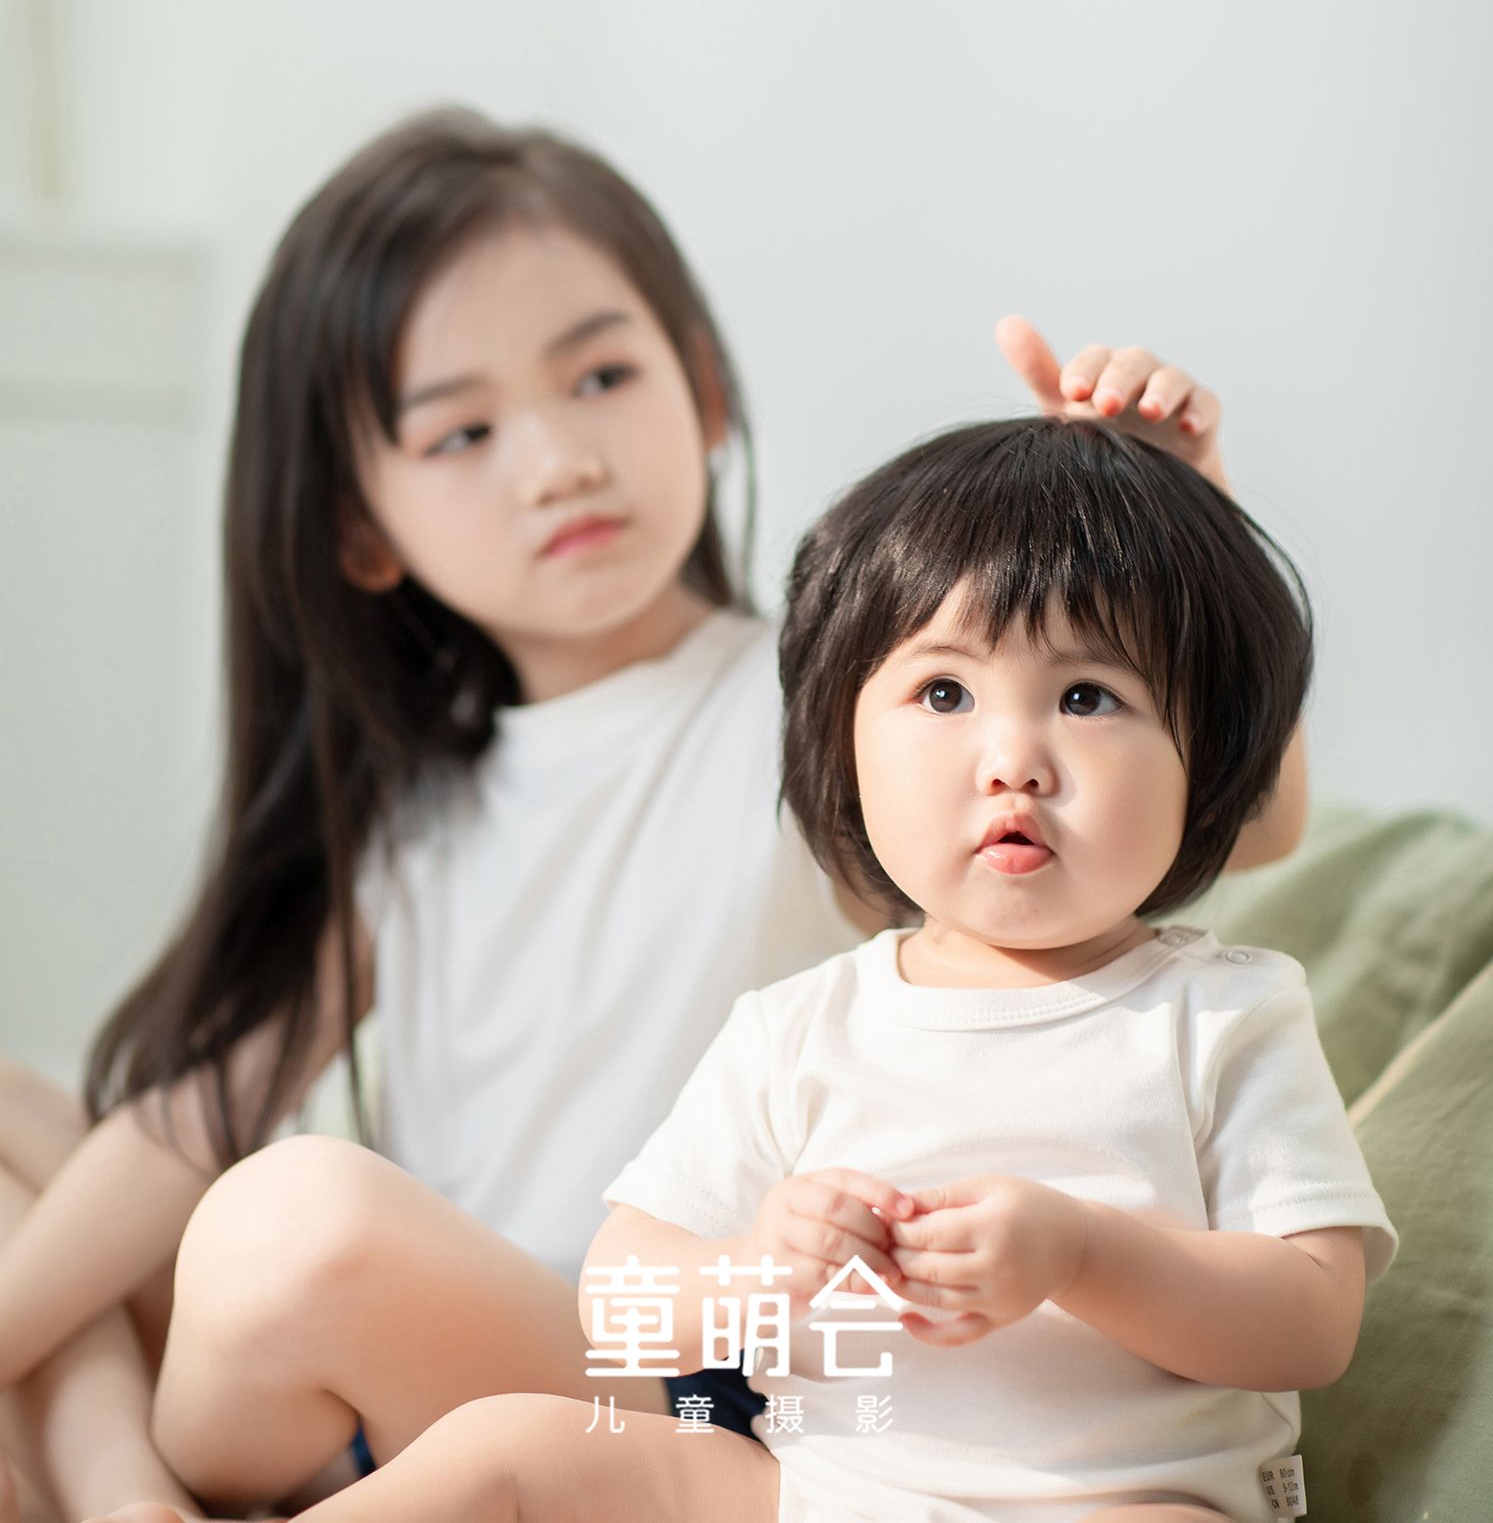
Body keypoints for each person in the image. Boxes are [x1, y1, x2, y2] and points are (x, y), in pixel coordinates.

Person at [0, 108, 1303, 1522]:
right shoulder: (409, 811)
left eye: (602, 375)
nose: (559, 458)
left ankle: (104, 1470)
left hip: (685, 1380)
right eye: (463, 430)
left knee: (289, 1216)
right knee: (34, 1124)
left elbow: (1233, 818)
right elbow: (195, 1116)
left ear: (704, 391)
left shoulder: (834, 707)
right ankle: (106, 1461)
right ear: (358, 531)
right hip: (438, 1353)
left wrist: (1183, 519)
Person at [151, 415, 1387, 1523]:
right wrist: (754, 1268)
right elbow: (619, 1293)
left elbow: (1310, 1318)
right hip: (800, 1492)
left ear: (1204, 763)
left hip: (1109, 1499)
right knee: (502, 1445)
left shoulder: (1220, 1010)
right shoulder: (800, 1024)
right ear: (839, 746)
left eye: (1086, 694)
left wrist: (1081, 1253)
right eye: (942, 690)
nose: (1012, 756)